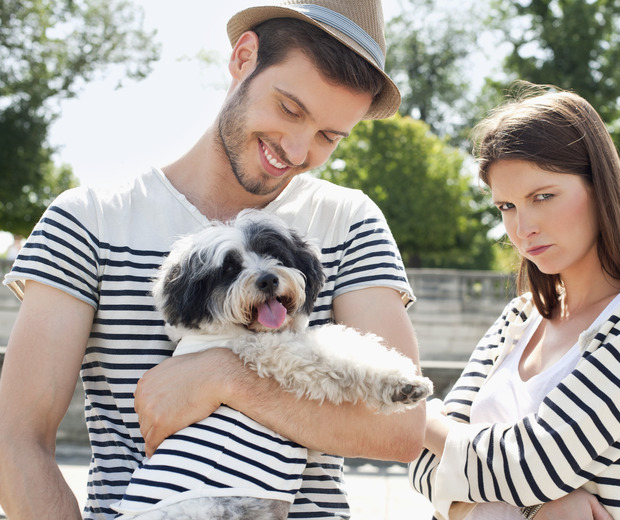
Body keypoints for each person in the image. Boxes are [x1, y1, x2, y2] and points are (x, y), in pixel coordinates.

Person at [0, 1, 426, 519]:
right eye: (290, 109)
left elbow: (402, 430)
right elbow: (15, 441)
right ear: (244, 58)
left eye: (328, 136)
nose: (295, 150)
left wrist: (225, 375)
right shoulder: (88, 220)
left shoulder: (350, 219)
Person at [409, 85, 620, 520]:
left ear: (600, 187)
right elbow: (419, 469)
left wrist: (423, 422)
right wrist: (533, 511)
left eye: (542, 196)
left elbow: (537, 465)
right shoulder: (519, 317)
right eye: (506, 206)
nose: (522, 227)